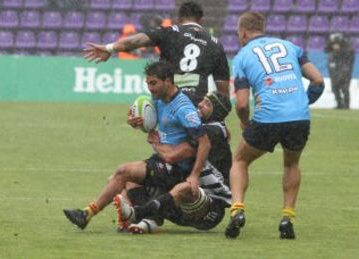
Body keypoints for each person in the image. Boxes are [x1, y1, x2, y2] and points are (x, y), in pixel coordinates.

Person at [63, 61, 211, 230]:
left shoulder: (183, 108)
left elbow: (204, 142)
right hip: (161, 159)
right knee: (120, 180)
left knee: (123, 172)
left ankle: (89, 214)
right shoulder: (159, 100)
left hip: (176, 167)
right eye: (147, 83)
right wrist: (136, 121)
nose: (150, 88)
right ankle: (146, 218)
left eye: (153, 83)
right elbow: (148, 121)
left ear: (168, 81)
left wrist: (194, 175)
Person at [224, 12, 325, 240]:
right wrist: (301, 103)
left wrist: (244, 122)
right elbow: (318, 80)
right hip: (299, 118)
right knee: (291, 164)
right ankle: (287, 218)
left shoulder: (242, 56)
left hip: (267, 118)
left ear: (243, 33)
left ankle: (237, 210)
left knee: (240, 160)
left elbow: (241, 103)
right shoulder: (291, 47)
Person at [115, 91, 232, 234]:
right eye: (203, 100)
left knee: (184, 187)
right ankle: (149, 220)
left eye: (207, 104)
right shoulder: (207, 123)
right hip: (188, 203)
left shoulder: (211, 131)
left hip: (211, 208)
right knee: (131, 179)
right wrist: (141, 120)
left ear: (216, 112)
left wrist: (155, 140)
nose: (200, 104)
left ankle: (138, 213)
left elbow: (172, 154)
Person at [83, 1, 230, 105]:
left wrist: (110, 48)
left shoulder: (169, 31)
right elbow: (223, 93)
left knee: (168, 144)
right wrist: (218, 121)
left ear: (178, 19)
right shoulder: (216, 44)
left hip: (169, 100)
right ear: (201, 20)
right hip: (197, 104)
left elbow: (136, 41)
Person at [325, 32, 355, 109]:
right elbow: (326, 49)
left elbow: (349, 58)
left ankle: (346, 105)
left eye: (336, 43)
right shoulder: (332, 51)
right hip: (334, 72)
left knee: (344, 88)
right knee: (335, 88)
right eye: (333, 44)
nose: (335, 46)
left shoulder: (348, 51)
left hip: (345, 72)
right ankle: (339, 103)